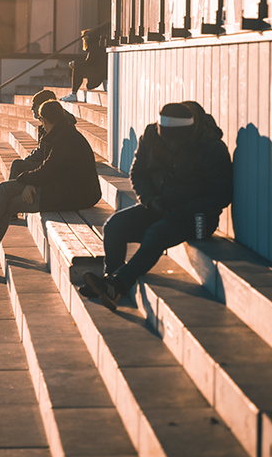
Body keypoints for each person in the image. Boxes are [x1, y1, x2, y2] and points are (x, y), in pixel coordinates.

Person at [82, 101, 233, 311]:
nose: (172, 146)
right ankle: (110, 279)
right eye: (167, 140)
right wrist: (151, 200)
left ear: (189, 132)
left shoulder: (212, 148)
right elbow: (138, 173)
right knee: (114, 225)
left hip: (197, 218)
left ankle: (118, 284)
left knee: (157, 233)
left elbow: (221, 195)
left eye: (176, 142)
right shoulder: (152, 136)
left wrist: (186, 209)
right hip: (158, 205)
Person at [0, 98, 102, 274]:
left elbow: (48, 170)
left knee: (6, 191)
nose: (42, 126)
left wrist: (28, 181)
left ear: (46, 120)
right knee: (7, 201)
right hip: (66, 187)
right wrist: (30, 182)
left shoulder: (64, 139)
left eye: (42, 121)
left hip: (77, 194)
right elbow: (49, 168)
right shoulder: (61, 133)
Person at [9, 89, 76, 179]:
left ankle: (14, 189)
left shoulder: (57, 125)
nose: (31, 108)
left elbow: (43, 154)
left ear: (42, 106)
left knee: (17, 166)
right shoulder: (53, 122)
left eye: (34, 105)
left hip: (54, 168)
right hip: (49, 164)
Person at [62, 23, 109, 102]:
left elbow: (88, 63)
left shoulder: (94, 48)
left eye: (85, 38)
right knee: (76, 66)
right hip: (99, 74)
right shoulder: (95, 47)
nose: (84, 40)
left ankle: (73, 93)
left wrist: (75, 64)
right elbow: (89, 62)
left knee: (77, 68)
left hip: (98, 76)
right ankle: (73, 93)